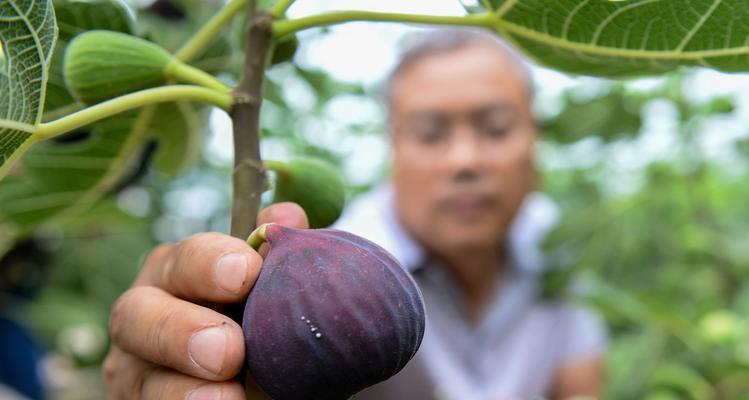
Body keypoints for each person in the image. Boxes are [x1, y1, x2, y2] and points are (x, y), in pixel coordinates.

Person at [103, 29, 606, 400]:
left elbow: (578, 388)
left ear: (534, 137)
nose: (465, 161)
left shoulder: (554, 242)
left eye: (495, 128)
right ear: (393, 145)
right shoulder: (338, 268)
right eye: (431, 133)